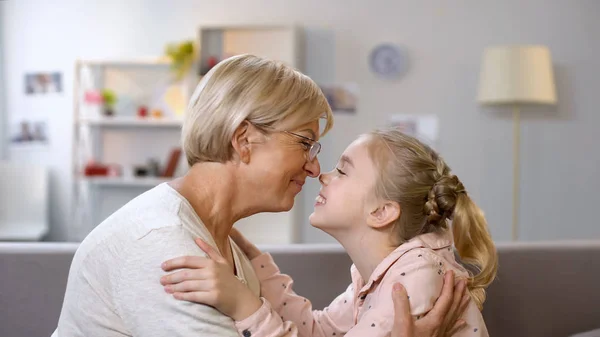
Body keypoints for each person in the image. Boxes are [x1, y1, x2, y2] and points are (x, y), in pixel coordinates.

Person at [52, 54, 464, 337]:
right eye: (305, 142)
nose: (314, 167)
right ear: (244, 139)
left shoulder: (222, 244)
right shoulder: (163, 248)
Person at [159, 129, 498, 336]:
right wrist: (254, 262)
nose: (323, 175)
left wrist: (241, 302)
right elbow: (317, 331)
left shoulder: (414, 280)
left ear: (381, 212)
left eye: (343, 170)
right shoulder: (382, 274)